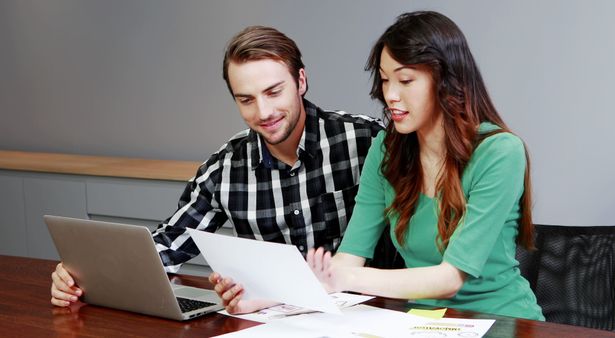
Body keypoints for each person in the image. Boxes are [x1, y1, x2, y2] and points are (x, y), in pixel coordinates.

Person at [50, 26, 383, 313]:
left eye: (273, 92)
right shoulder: (225, 168)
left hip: (369, 314)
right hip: (268, 318)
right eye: (246, 99)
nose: (263, 111)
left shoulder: (364, 140)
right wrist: (83, 275)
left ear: (301, 81)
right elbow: (168, 246)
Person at [305, 11, 544, 320]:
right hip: (426, 322)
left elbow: (449, 279)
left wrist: (345, 280)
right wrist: (264, 297)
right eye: (385, 79)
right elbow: (349, 258)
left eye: (405, 80)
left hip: (503, 321)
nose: (390, 95)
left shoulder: (499, 151)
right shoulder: (387, 149)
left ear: (446, 80)